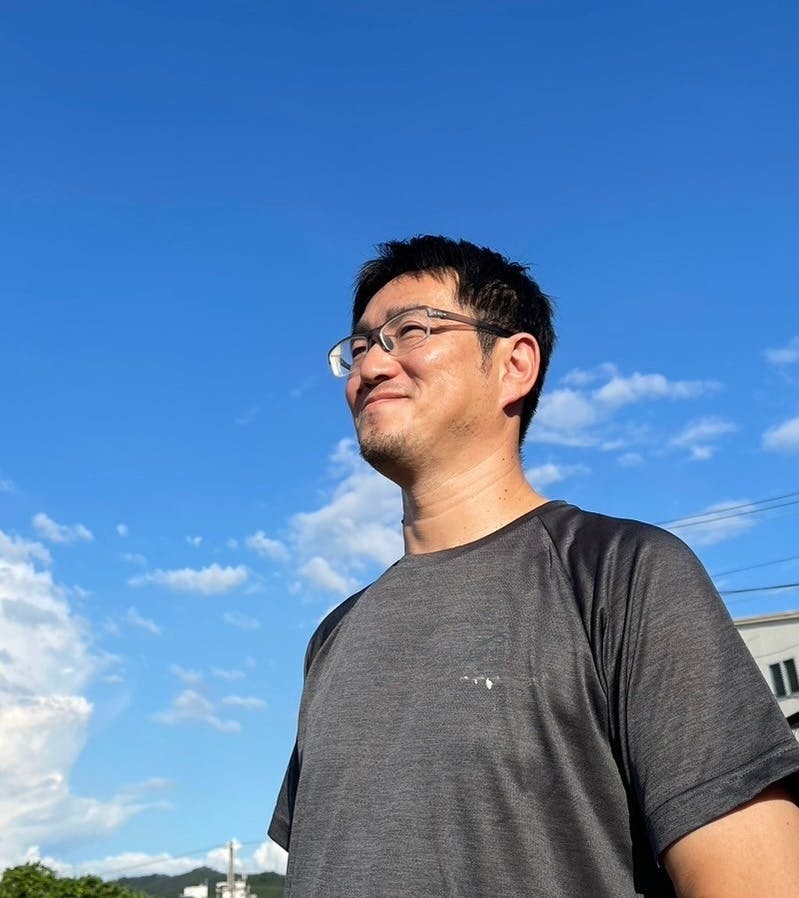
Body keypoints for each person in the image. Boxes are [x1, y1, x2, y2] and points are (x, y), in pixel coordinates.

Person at [269, 235, 799, 897]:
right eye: (358, 347)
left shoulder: (623, 574)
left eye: (409, 331)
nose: (370, 367)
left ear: (514, 365)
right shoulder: (333, 638)